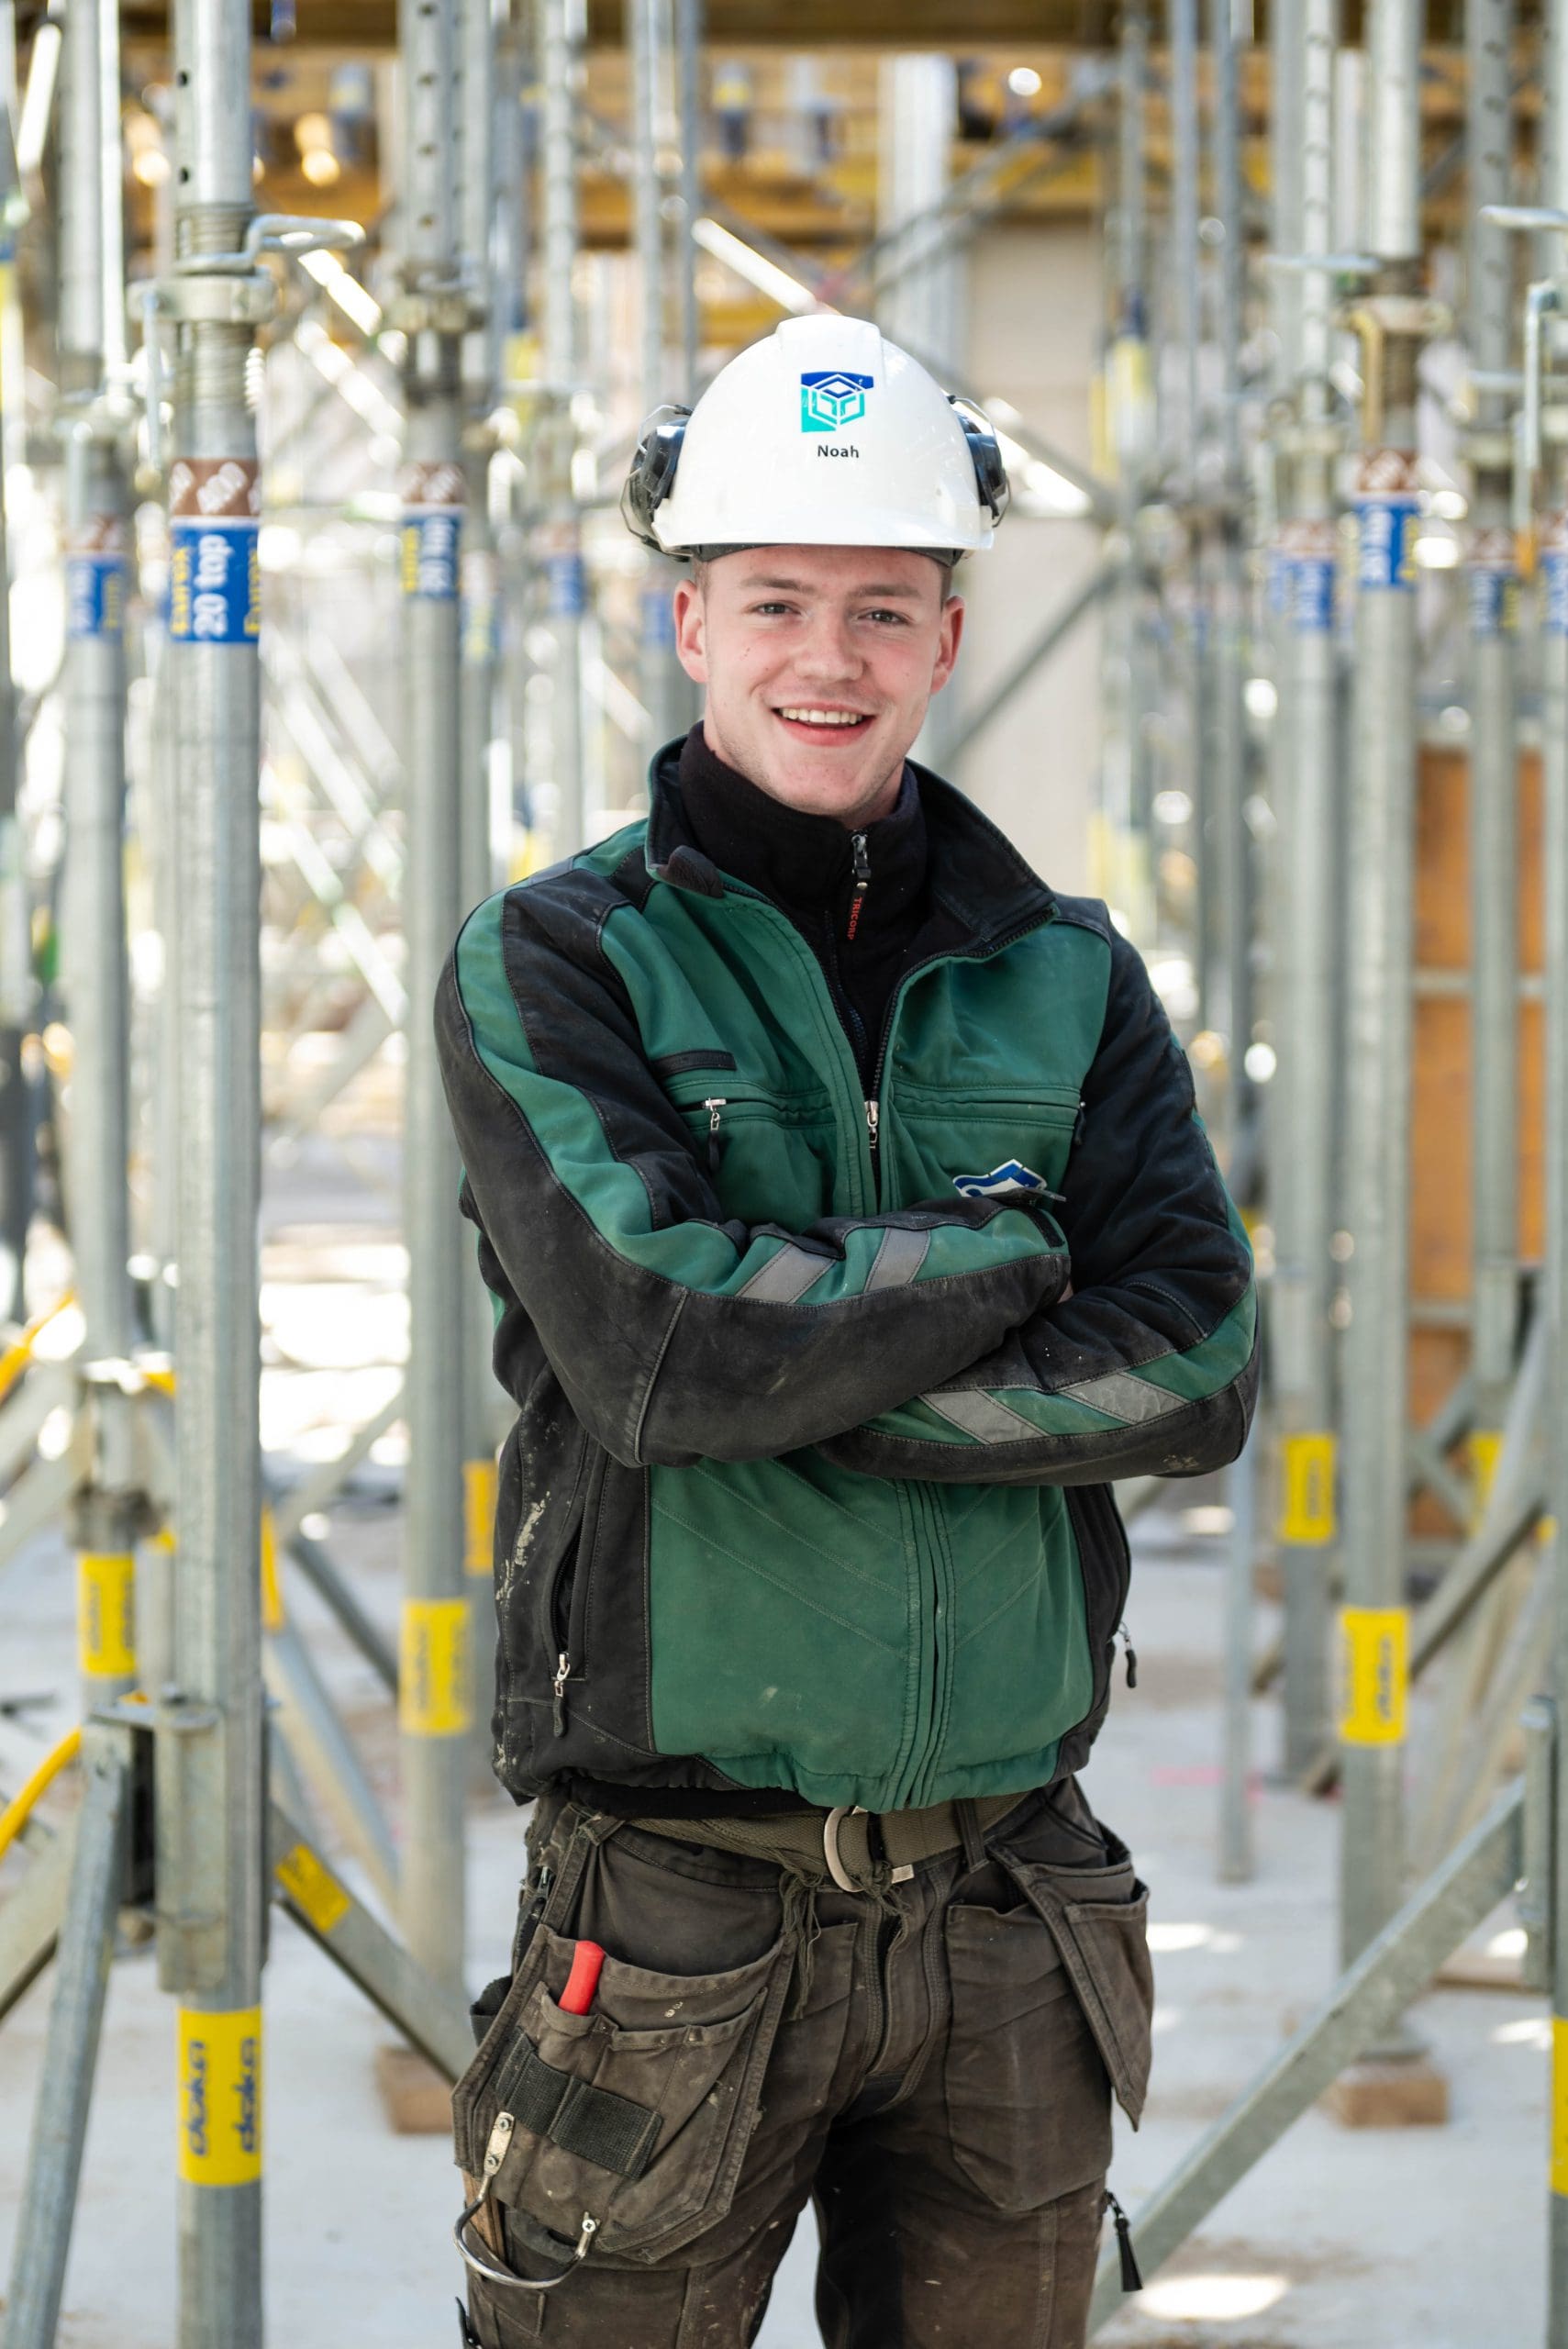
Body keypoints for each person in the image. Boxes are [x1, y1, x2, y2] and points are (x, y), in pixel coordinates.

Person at [438, 314, 1257, 2349]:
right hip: (674, 1907)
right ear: (692, 622)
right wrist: (1005, 1247)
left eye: (882, 608)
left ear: (947, 638)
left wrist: (804, 1373)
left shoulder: (1067, 975)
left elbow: (1194, 1365)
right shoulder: (556, 960)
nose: (831, 656)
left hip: (1010, 1904)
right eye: (778, 602)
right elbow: (654, 1352)